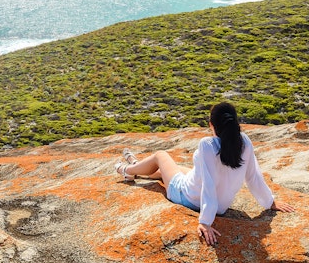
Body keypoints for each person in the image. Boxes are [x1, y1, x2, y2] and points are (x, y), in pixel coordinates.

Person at [115, 102, 294, 245]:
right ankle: (138, 168)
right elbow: (253, 176)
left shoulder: (207, 145)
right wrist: (269, 202)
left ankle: (128, 170)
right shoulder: (244, 142)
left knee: (161, 156)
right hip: (220, 206)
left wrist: (205, 221)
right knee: (173, 171)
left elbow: (208, 184)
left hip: (188, 197)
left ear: (211, 125)